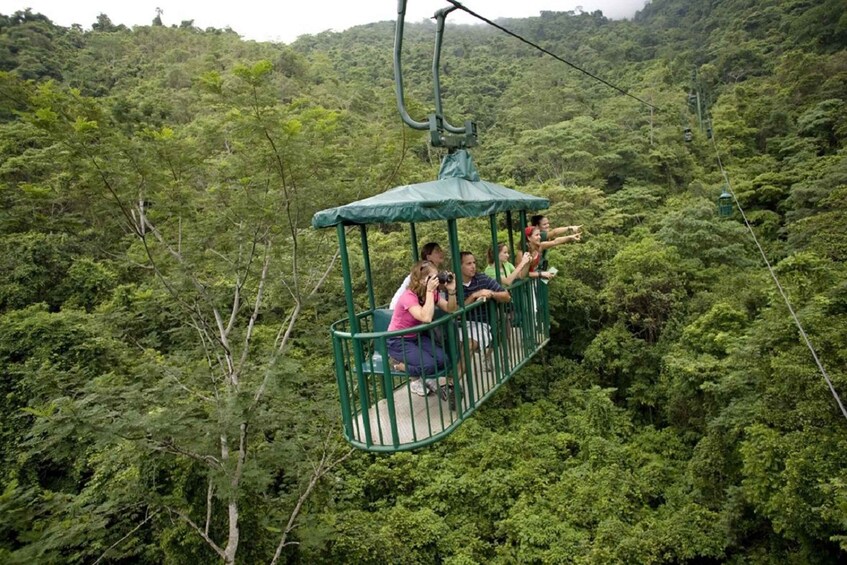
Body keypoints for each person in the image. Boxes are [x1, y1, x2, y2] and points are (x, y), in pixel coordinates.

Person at [387, 260, 458, 399]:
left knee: (444, 360)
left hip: (415, 337)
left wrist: (451, 290)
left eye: (437, 277)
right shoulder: (408, 296)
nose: (436, 281)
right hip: (398, 340)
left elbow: (451, 309)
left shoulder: (430, 293)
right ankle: (398, 365)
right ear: (420, 280)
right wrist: (430, 291)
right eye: (432, 278)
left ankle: (418, 370)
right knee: (429, 366)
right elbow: (426, 317)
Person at [459, 251, 510, 355]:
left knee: (468, 346)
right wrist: (474, 296)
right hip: (460, 325)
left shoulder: (482, 278)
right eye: (469, 264)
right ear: (459, 266)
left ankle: (459, 371)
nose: (473, 266)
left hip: (480, 324)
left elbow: (507, 296)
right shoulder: (453, 284)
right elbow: (456, 311)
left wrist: (491, 294)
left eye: (474, 263)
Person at [389, 242, 445, 309]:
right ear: (428, 257)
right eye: (437, 251)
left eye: (441, 250)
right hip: (399, 309)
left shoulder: (434, 272)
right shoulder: (420, 273)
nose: (441, 253)